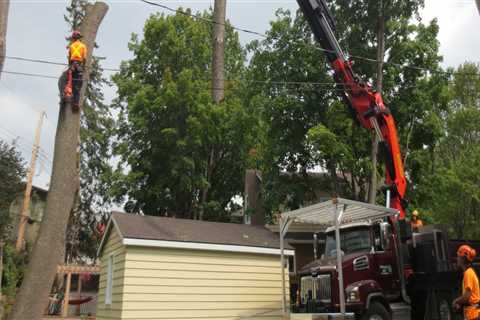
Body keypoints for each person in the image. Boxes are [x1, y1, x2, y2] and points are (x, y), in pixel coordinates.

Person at [453, 245, 480, 320]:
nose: (457, 259)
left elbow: (467, 297)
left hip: (473, 315)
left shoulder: (468, 273)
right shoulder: (469, 272)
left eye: (458, 256)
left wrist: (456, 301)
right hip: (472, 314)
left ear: (463, 258)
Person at [64, 30, 87, 111]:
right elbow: (84, 58)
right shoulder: (83, 46)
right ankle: (75, 103)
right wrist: (83, 67)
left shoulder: (71, 46)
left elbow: (69, 58)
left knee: (69, 82)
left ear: (73, 38)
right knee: (78, 86)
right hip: (79, 66)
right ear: (79, 38)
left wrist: (70, 66)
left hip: (72, 66)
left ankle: (66, 96)